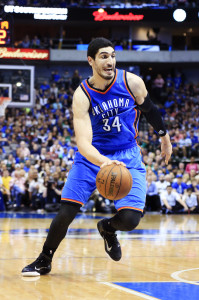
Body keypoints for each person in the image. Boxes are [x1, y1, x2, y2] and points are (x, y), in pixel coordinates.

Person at [21, 37, 172, 276]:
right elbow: (83, 144)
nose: (110, 61)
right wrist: (104, 161)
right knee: (66, 212)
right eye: (104, 56)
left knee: (131, 219)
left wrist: (164, 136)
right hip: (93, 156)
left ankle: (108, 228)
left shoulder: (132, 82)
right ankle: (44, 259)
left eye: (112, 55)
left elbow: (150, 110)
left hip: (128, 154)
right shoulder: (82, 95)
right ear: (90, 60)